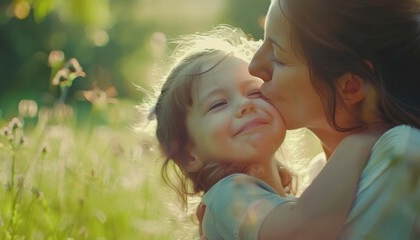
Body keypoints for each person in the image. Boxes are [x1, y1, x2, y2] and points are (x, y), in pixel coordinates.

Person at [149, 25, 386, 239]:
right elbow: (304, 229)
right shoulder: (226, 196)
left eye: (254, 92)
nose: (245, 105)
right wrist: (359, 140)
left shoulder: (290, 202)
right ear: (190, 154)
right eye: (218, 104)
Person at [248, 0, 420, 239]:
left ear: (349, 87)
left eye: (278, 56)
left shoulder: (401, 154)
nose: (254, 67)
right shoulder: (320, 172)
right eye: (261, 41)